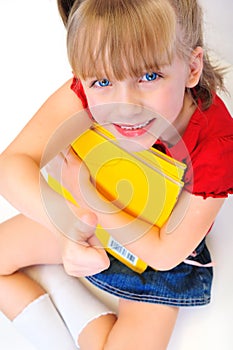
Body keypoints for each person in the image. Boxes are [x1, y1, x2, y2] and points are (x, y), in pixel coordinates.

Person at [0, 0, 233, 349]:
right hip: (87, 218)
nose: (125, 104)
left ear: (192, 68)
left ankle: (56, 290)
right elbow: (12, 164)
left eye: (149, 76)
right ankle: (57, 278)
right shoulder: (91, 91)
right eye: (103, 80)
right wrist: (68, 231)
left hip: (154, 253)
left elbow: (163, 254)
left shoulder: (218, 145)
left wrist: (89, 196)